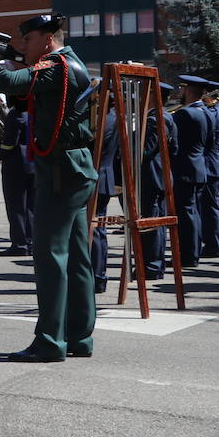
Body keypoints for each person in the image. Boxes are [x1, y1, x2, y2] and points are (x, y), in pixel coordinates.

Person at [0, 14, 96, 362]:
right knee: (75, 256)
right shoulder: (66, 64)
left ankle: (49, 341)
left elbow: (5, 80)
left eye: (27, 41)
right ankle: (78, 335)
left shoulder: (57, 66)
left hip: (61, 168)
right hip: (71, 166)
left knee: (50, 255)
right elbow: (16, 89)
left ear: (47, 39)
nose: (22, 47)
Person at [171, 75, 211, 269]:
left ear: (187, 91)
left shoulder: (184, 114)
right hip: (199, 167)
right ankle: (192, 252)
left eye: (182, 88)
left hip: (184, 169)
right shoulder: (206, 112)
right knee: (193, 212)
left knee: (185, 214)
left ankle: (187, 255)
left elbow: (174, 143)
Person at [139, 82, 177, 280]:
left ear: (154, 96)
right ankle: (155, 264)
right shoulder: (167, 116)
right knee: (156, 220)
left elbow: (145, 151)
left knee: (152, 223)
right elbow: (174, 149)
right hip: (160, 173)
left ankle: (152, 266)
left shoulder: (155, 119)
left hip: (152, 176)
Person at [0, 97, 34, 256]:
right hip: (33, 163)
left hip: (16, 165)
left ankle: (19, 244)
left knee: (16, 207)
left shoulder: (15, 114)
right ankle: (31, 242)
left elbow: (9, 142)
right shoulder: (35, 113)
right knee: (31, 207)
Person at [89, 100, 118, 293]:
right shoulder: (113, 118)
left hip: (97, 177)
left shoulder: (103, 121)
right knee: (99, 230)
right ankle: (99, 276)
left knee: (95, 231)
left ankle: (96, 276)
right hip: (105, 177)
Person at [200, 82, 219, 259]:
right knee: (212, 206)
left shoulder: (213, 112)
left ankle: (215, 245)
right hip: (215, 162)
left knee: (211, 207)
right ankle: (214, 243)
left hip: (210, 163)